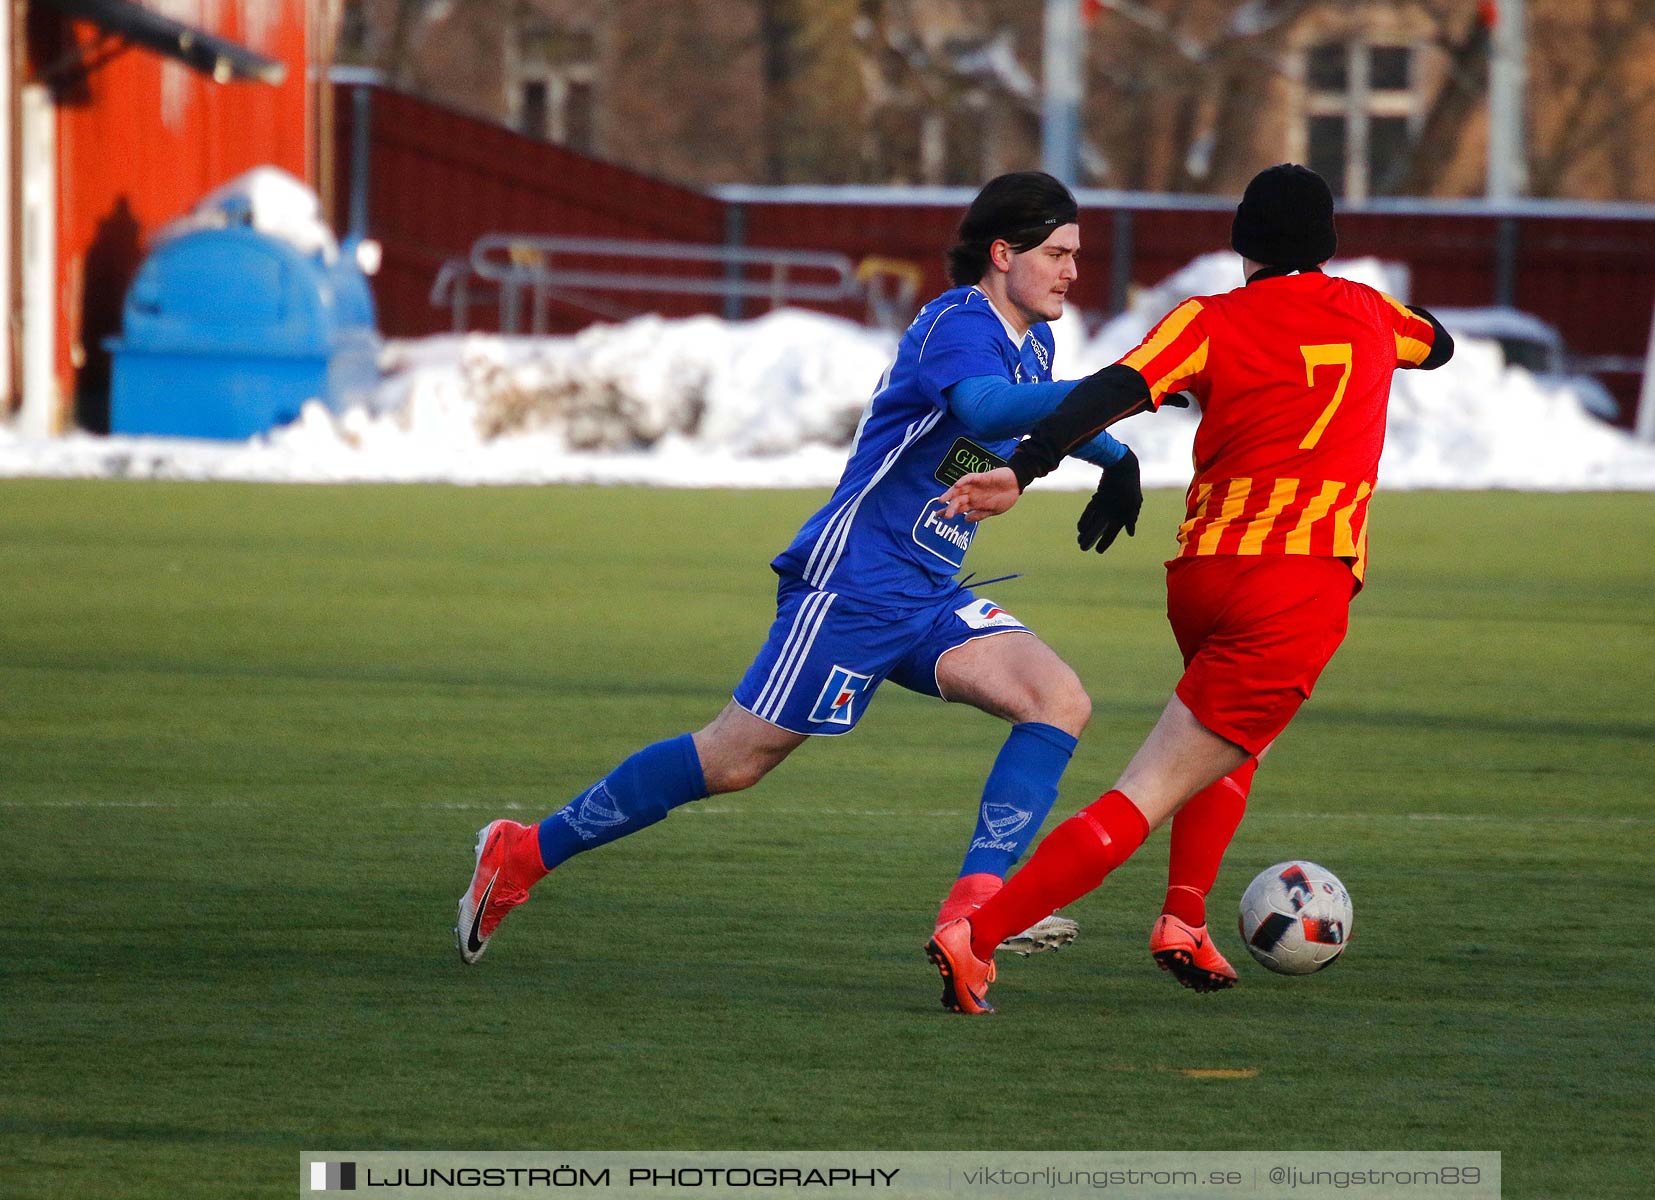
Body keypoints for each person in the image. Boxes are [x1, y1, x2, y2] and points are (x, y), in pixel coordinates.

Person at [456, 172, 1149, 970]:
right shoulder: (955, 322)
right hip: (853, 583)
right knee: (733, 759)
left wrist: (1113, 452)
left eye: (1075, 255)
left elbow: (1035, 402)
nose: (1071, 271)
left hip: (927, 593)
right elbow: (990, 409)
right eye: (1057, 254)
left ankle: (978, 907)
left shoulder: (1034, 341)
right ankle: (521, 853)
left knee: (1056, 700)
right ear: (1002, 254)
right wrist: (1111, 398)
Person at [926, 163, 1454, 1013]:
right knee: (1150, 789)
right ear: (1325, 245)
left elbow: (1110, 393)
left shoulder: (1208, 322)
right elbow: (1438, 342)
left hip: (1205, 575)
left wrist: (1026, 468)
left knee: (1234, 740)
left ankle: (1183, 921)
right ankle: (976, 937)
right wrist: (1364, 312)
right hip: (1299, 584)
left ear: (1242, 244)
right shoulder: (1369, 313)